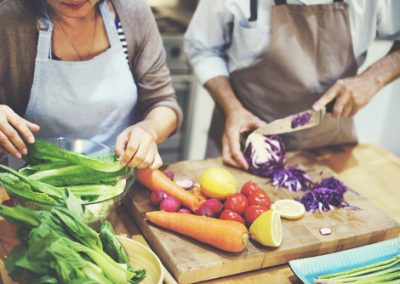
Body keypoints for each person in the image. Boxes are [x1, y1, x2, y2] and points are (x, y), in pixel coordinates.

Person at [184, 0, 400, 170]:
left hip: (328, 147)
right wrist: (233, 108)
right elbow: (203, 49)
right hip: (243, 143)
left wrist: (373, 79)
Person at [0, 0, 182, 169]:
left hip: (119, 184)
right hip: (33, 190)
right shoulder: (9, 20)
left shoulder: (131, 12)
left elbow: (163, 103)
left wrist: (148, 130)